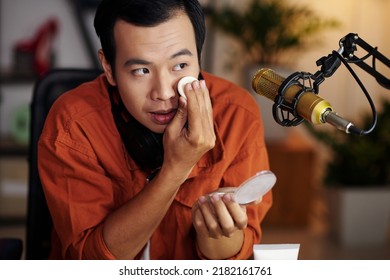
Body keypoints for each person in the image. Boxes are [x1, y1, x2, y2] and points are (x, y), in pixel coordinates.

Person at [38, 0, 272, 260]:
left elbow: (237, 256)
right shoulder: (73, 125)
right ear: (109, 69)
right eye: (141, 70)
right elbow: (91, 262)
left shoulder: (236, 114)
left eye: (180, 66)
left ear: (198, 56)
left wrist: (217, 228)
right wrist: (176, 169)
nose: (163, 93)